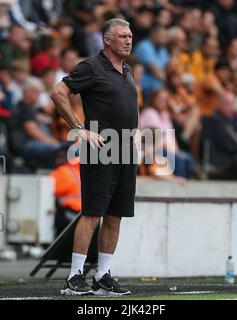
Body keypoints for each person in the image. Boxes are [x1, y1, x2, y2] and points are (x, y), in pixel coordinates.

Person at [51, 18, 140, 296]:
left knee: (116, 215)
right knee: (92, 212)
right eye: (123, 36)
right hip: (100, 149)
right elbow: (58, 93)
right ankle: (74, 276)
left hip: (125, 149)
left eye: (130, 36)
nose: (129, 40)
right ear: (108, 40)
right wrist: (79, 129)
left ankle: (103, 275)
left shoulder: (126, 70)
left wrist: (135, 133)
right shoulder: (92, 66)